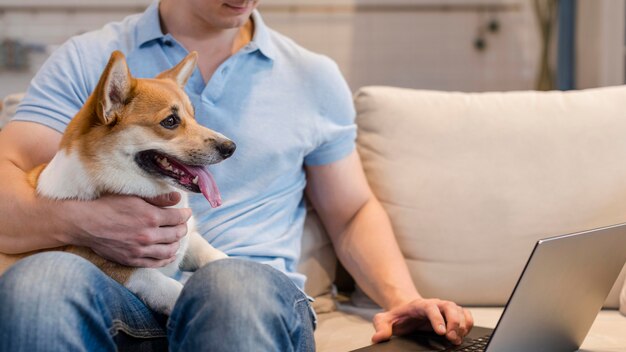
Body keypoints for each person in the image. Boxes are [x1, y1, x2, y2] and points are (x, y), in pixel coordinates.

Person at [0, 0, 473, 351]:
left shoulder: (312, 75)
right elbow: (13, 172)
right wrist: (85, 225)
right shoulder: (88, 59)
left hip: (252, 297)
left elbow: (351, 213)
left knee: (230, 284)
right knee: (42, 279)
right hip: (115, 292)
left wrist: (402, 297)